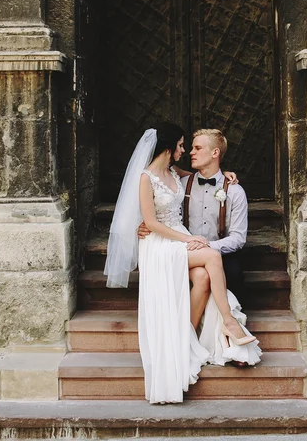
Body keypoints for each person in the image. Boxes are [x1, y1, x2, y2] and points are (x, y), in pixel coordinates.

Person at [104, 123, 261, 405]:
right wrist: (184, 239)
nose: (185, 150)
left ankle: (184, 338)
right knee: (211, 257)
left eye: (192, 147)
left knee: (201, 276)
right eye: (181, 145)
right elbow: (151, 222)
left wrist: (224, 174)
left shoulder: (178, 174)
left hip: (180, 240)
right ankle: (229, 323)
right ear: (168, 147)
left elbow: (204, 175)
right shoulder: (145, 177)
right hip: (161, 243)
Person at [139, 128, 247, 330]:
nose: (189, 152)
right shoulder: (181, 182)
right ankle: (222, 325)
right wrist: (144, 224)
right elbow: (159, 207)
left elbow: (238, 239)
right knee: (207, 268)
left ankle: (229, 333)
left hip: (215, 247)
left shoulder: (234, 190)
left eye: (197, 148)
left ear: (215, 153)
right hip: (180, 244)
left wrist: (208, 245)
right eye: (185, 146)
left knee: (233, 273)